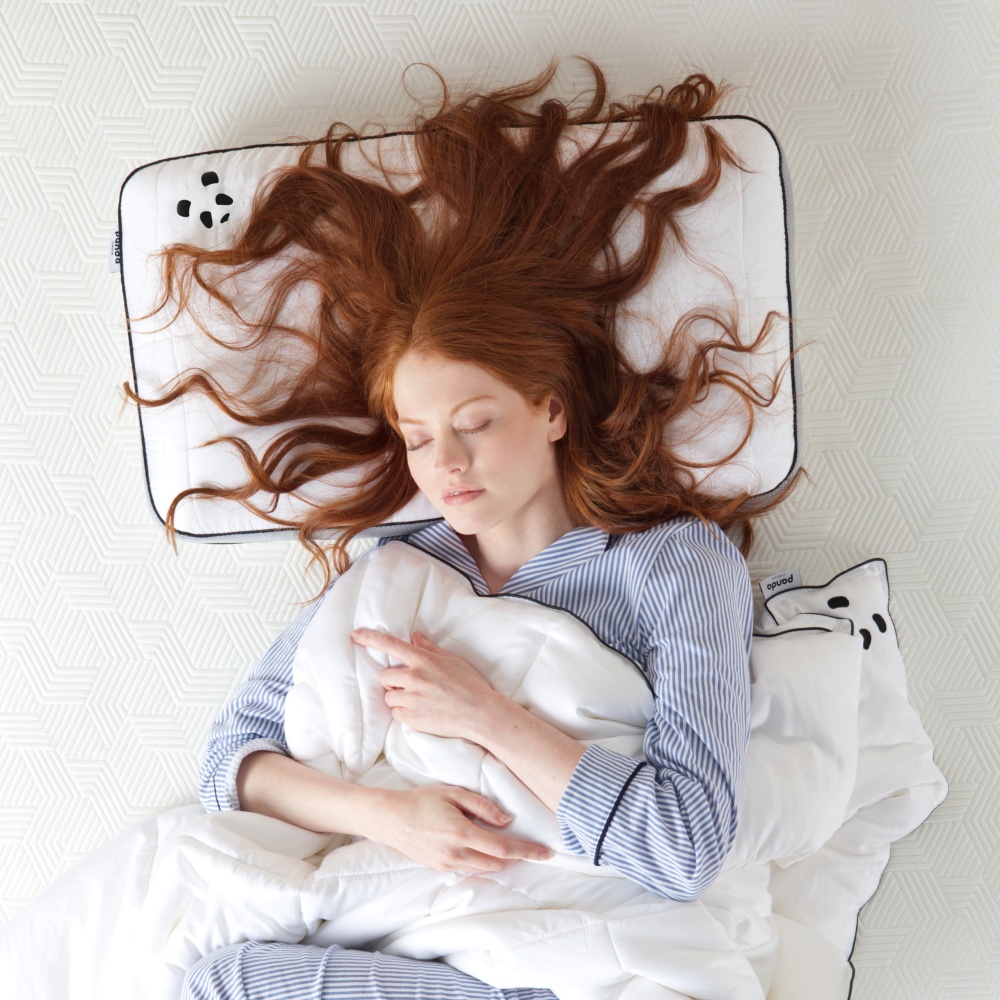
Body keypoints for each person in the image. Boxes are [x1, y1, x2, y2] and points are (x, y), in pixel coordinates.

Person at [126, 56, 796, 1000]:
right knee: (226, 980)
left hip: (592, 945)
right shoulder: (396, 571)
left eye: (476, 424)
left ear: (551, 410)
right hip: (427, 933)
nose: (445, 464)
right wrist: (388, 817)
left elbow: (683, 848)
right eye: (419, 437)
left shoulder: (671, 566)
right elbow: (230, 761)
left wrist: (488, 716)